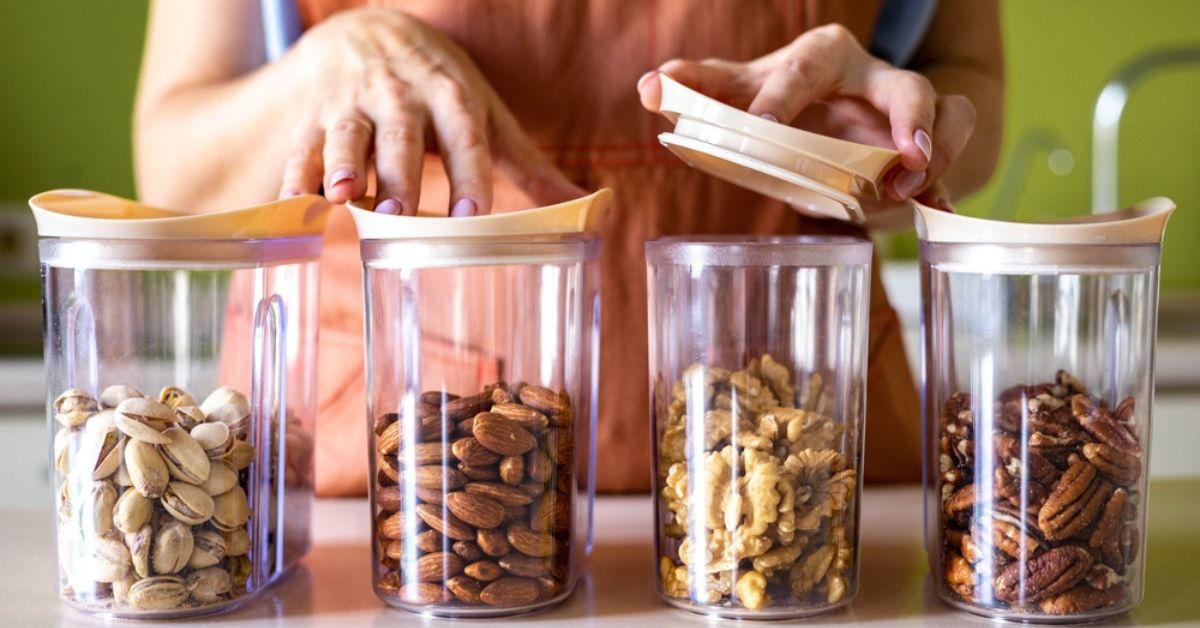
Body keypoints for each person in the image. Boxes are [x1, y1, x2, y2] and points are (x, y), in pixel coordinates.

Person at [135, 0, 1002, 494]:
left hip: (805, 483)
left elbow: (975, 93)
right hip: (383, 494)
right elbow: (171, 166)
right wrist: (323, 69)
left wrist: (884, 152)